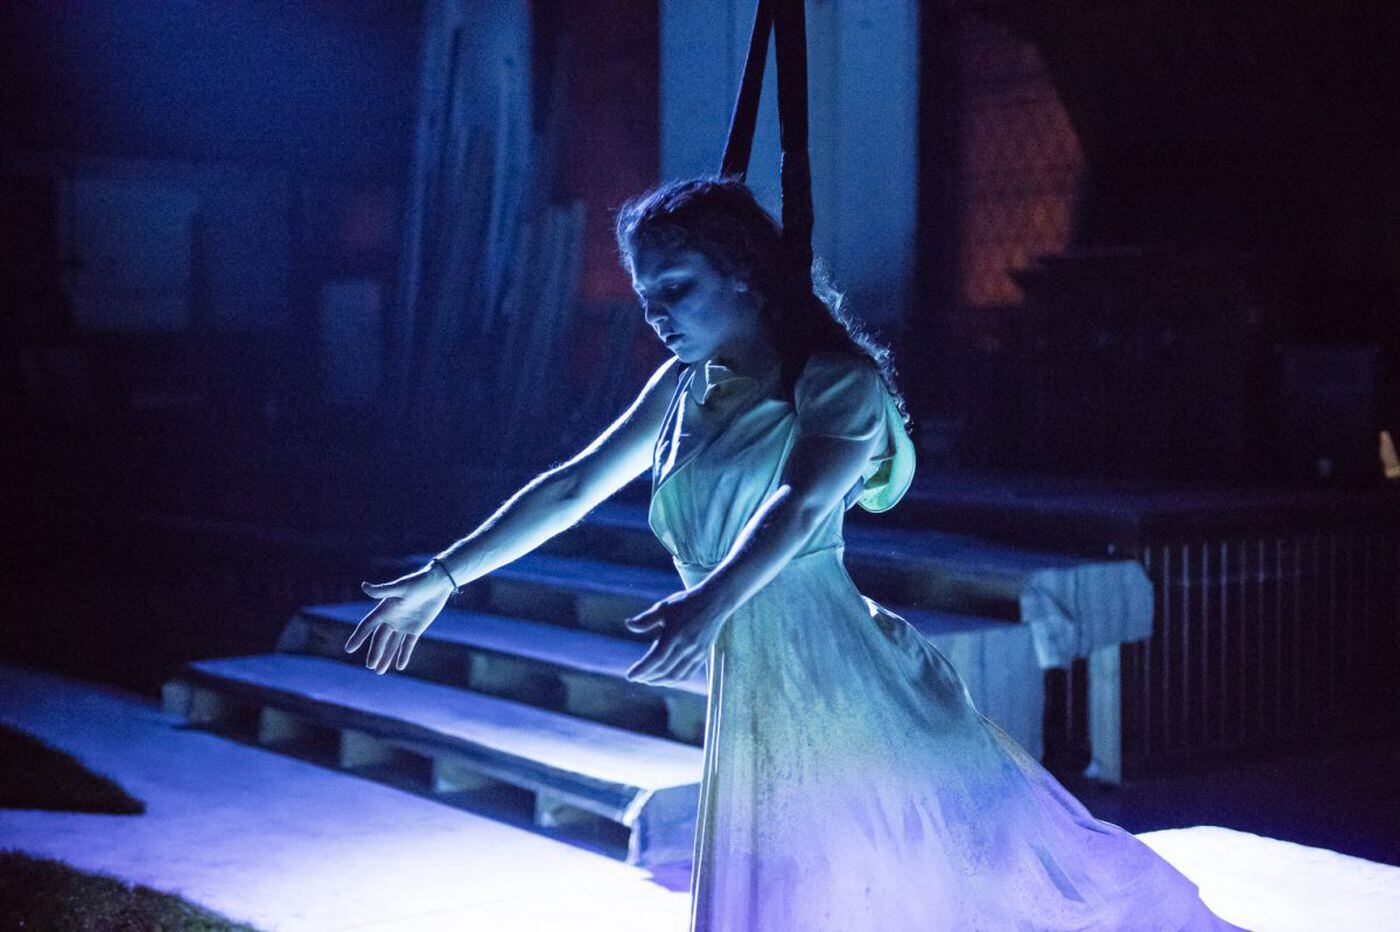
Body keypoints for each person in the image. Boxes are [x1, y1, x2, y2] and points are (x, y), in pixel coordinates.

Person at [347, 176, 1247, 931]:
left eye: (677, 288)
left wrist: (711, 601)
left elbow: (800, 500)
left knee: (932, 880)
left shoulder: (836, 380)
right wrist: (445, 576)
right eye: (647, 295)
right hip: (756, 671)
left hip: (838, 671)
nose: (656, 314)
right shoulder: (680, 388)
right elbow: (572, 486)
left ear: (744, 273)